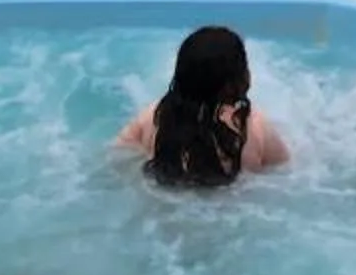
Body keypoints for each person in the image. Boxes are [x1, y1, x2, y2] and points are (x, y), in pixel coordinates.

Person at [116, 23, 291, 184]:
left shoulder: (153, 117)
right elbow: (285, 172)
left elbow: (118, 155)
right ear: (236, 81)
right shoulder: (253, 126)